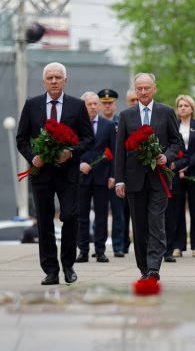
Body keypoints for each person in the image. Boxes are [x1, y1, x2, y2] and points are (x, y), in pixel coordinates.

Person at [16, 62, 94, 285]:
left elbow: (88, 139)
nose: (54, 81)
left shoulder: (77, 106)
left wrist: (70, 153)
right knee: (44, 222)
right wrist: (33, 157)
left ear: (65, 80)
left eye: (58, 77)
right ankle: (51, 270)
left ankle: (68, 265)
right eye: (49, 77)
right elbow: (21, 139)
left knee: (70, 217)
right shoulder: (32, 105)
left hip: (68, 173)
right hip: (41, 174)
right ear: (44, 81)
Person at [114, 73, 182, 281]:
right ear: (135, 90)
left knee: (156, 223)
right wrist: (119, 179)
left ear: (154, 88)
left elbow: (177, 142)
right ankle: (143, 267)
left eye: (147, 88)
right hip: (134, 180)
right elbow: (119, 151)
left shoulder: (166, 112)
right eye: (139, 89)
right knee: (140, 226)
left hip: (159, 178)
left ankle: (154, 268)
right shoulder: (126, 115)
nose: (143, 92)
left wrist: (166, 156)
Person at [76, 91, 116, 263]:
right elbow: (70, 149)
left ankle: (100, 250)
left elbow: (114, 152)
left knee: (101, 216)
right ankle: (83, 251)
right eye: (89, 104)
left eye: (95, 104)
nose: (93, 107)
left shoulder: (108, 125)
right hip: (81, 177)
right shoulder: (75, 125)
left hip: (102, 177)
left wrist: (114, 176)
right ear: (83, 106)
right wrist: (79, 164)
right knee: (81, 216)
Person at [171, 95, 195, 258]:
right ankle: (178, 245)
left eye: (185, 105)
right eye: (180, 106)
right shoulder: (173, 125)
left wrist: (187, 165)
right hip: (175, 171)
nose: (182, 108)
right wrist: (178, 166)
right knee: (177, 209)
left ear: (192, 108)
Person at [97, 88, 125, 258]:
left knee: (118, 214)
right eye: (104, 103)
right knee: (99, 214)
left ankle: (118, 246)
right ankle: (99, 247)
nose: (107, 106)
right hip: (98, 174)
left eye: (110, 103)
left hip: (116, 174)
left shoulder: (121, 122)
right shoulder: (94, 123)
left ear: (115, 104)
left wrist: (117, 175)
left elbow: (121, 152)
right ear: (100, 105)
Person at [122, 88, 139, 254]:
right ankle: (123, 243)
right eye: (132, 100)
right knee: (126, 214)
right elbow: (120, 150)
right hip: (130, 174)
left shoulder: (161, 113)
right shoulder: (125, 116)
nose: (135, 102)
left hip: (152, 173)